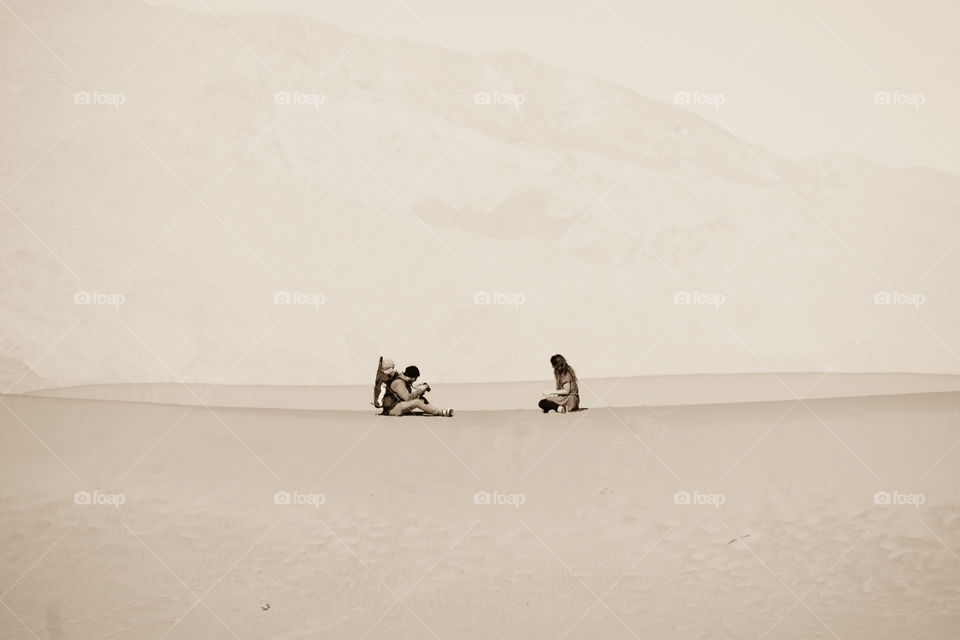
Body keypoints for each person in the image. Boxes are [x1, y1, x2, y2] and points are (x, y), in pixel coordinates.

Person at [382, 365, 453, 417]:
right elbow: (407, 398)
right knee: (417, 402)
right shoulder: (399, 382)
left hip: (397, 406)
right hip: (392, 410)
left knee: (421, 399)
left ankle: (437, 410)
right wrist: (419, 390)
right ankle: (441, 412)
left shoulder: (403, 379)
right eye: (416, 378)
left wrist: (420, 387)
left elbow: (407, 391)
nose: (416, 379)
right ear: (413, 377)